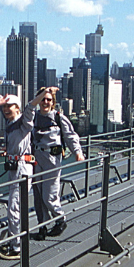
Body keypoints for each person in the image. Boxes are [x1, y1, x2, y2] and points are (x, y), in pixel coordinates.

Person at [0, 81, 34, 260]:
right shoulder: (11, 122)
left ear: (18, 108)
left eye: (10, 106)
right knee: (15, 206)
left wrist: (44, 94)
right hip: (15, 166)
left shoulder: (23, 122)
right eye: (5, 106)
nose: (6, 109)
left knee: (14, 207)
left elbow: (31, 108)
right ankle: (15, 241)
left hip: (21, 167)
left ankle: (16, 247)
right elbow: (0, 101)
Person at [30, 86, 84, 238]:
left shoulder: (58, 117)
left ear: (52, 102)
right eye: (42, 99)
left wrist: (77, 152)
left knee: (49, 194)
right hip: (36, 159)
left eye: (48, 99)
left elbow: (70, 136)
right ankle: (42, 227)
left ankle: (60, 219)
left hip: (52, 160)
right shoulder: (33, 117)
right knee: (38, 195)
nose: (45, 102)